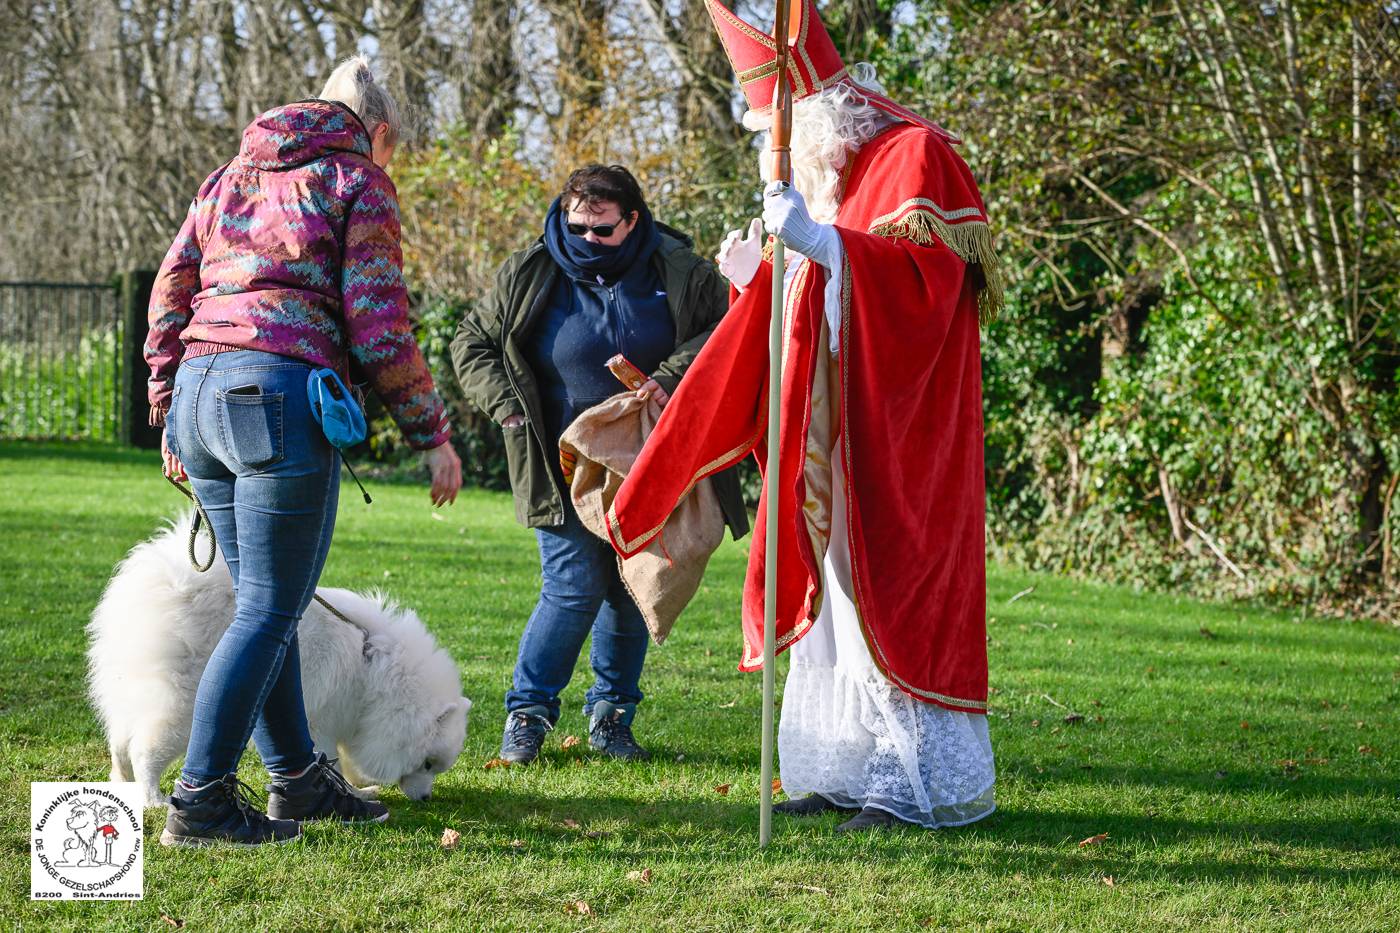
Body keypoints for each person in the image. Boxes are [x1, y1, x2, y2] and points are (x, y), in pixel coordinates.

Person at [606, 0, 1003, 832]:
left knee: (885, 598)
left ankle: (910, 784)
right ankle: (843, 770)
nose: (764, 147)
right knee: (832, 611)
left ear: (817, 115)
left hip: (897, 437)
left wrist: (827, 248)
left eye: (768, 125)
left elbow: (927, 297)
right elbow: (809, 320)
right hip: (823, 436)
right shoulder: (833, 174)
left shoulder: (912, 155)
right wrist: (764, 278)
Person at [145, 56, 462, 847]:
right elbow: (379, 321)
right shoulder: (356, 179)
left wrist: (164, 403)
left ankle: (297, 782)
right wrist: (433, 433)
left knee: (267, 607)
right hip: (279, 398)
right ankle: (202, 801)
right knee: (270, 609)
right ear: (378, 132)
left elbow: (170, 288)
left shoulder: (229, 176)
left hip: (200, 394)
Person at [451, 164, 748, 764]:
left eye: (602, 230)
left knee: (629, 585)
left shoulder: (679, 269)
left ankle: (613, 718)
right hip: (561, 461)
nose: (587, 240)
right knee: (572, 585)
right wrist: (510, 412)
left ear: (632, 221)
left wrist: (668, 376)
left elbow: (730, 329)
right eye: (577, 225)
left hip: (651, 457)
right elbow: (471, 343)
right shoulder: (533, 270)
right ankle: (527, 715)